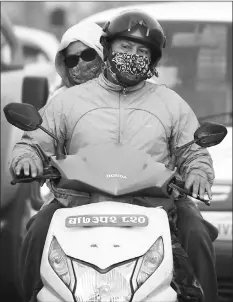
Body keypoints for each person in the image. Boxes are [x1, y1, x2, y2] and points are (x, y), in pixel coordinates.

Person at [10, 10, 219, 302]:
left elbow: (193, 150)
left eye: (141, 50)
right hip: (77, 204)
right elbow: (35, 139)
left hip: (157, 205)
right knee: (36, 232)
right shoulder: (70, 101)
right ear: (108, 50)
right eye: (125, 47)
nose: (132, 55)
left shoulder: (171, 103)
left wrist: (197, 172)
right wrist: (27, 157)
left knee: (196, 232)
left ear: (153, 60)